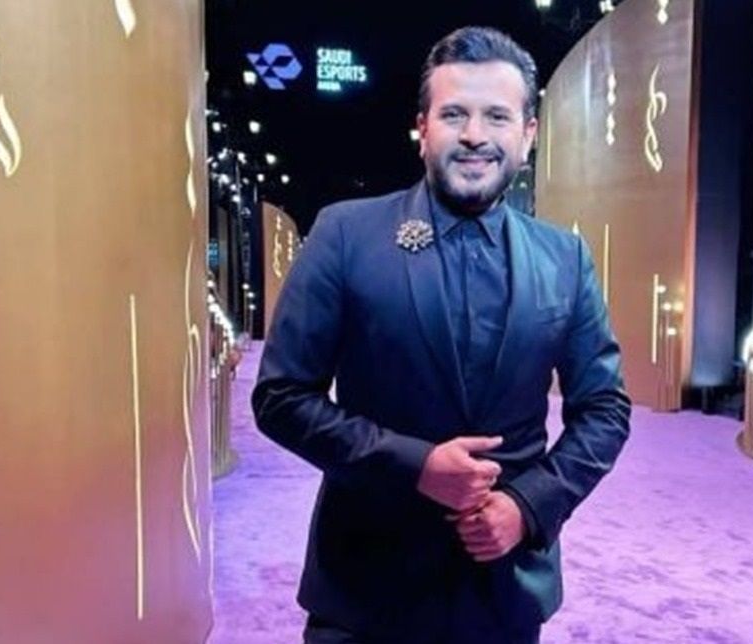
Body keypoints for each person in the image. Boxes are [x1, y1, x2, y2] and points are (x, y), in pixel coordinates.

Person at [252, 26, 631, 644]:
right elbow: (281, 396)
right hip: (364, 589)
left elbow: (605, 410)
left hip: (503, 589)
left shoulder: (565, 259)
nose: (475, 134)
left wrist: (528, 505)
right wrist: (416, 466)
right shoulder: (345, 234)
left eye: (497, 116)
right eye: (454, 114)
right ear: (423, 128)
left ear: (528, 134)